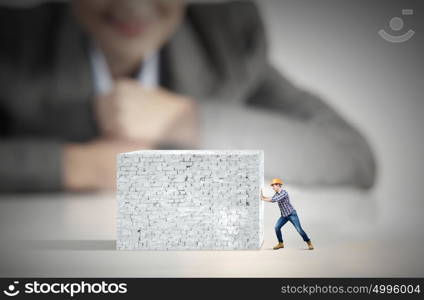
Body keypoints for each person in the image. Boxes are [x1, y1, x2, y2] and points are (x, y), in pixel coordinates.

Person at [0, 0, 376, 193]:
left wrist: (184, 118)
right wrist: (77, 166)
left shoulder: (225, 41)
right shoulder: (14, 40)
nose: (134, 6)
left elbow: (352, 156)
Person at [261, 178, 314, 250]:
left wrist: (262, 198)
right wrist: (262, 196)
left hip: (292, 214)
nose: (273, 187)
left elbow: (273, 200)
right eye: (272, 186)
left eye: (273, 185)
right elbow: (271, 198)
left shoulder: (284, 193)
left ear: (278, 185)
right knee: (277, 227)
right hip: (284, 216)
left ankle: (309, 242)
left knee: (299, 230)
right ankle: (280, 243)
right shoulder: (276, 194)